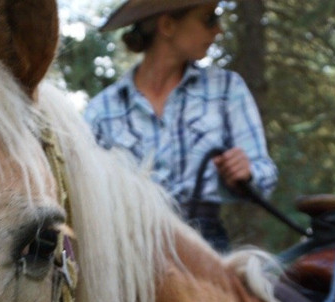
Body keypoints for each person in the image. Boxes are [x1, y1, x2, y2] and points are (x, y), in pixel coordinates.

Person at [84, 0, 278, 251]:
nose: (218, 30)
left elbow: (264, 174)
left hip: (206, 247)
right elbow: (84, 194)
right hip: (129, 249)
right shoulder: (102, 110)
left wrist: (247, 173)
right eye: (209, 19)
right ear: (167, 25)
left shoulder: (226, 89)